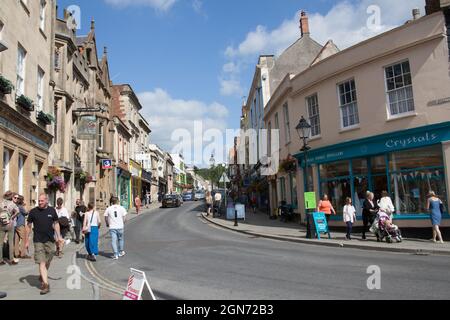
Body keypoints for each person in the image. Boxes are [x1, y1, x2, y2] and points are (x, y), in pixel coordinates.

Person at [25, 194, 63, 295]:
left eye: (42, 201)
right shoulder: (33, 212)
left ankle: (42, 274)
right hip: (38, 240)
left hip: (50, 240)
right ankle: (45, 284)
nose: (40, 202)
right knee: (41, 262)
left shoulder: (52, 211)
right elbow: (28, 226)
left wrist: (59, 237)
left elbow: (56, 224)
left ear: (46, 201)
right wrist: (26, 240)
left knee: (48, 259)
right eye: (39, 201)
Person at [1, 191, 20, 265]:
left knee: (1, 243)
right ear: (11, 197)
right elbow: (17, 212)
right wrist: (12, 217)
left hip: (2, 224)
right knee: (11, 242)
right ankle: (11, 260)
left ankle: (1, 260)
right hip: (10, 224)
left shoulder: (1, 203)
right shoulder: (12, 204)